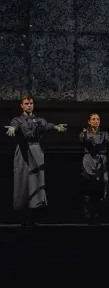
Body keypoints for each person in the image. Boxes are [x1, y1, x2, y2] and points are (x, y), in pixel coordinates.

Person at [5, 93, 67, 225]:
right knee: (23, 180)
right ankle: (23, 214)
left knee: (36, 181)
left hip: (36, 149)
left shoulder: (38, 120)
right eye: (26, 103)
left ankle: (34, 214)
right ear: (22, 105)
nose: (29, 105)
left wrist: (56, 127)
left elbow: (46, 125)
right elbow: (14, 125)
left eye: (31, 103)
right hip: (23, 150)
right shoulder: (18, 119)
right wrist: (12, 128)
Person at [79, 113, 109, 223]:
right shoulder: (85, 133)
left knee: (101, 189)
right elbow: (85, 140)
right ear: (89, 121)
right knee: (88, 189)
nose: (96, 121)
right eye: (93, 119)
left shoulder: (103, 134)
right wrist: (85, 133)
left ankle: (99, 215)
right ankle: (88, 215)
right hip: (89, 161)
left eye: (97, 119)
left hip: (101, 162)